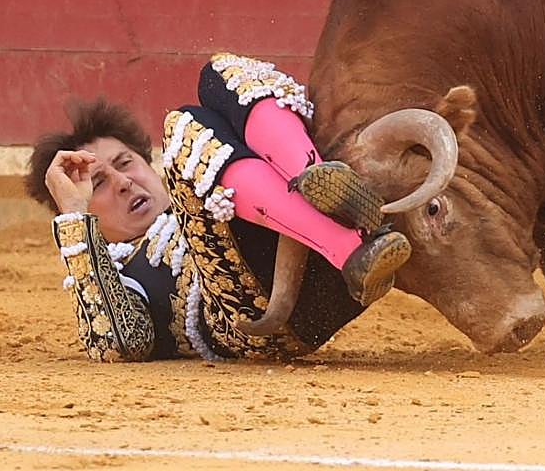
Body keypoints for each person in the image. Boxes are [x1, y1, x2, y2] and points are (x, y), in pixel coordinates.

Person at [25, 52, 410, 362]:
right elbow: (121, 343)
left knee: (219, 72)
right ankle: (345, 244)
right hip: (261, 319)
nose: (123, 183)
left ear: (147, 163)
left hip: (334, 277)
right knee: (183, 127)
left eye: (125, 163)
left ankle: (313, 178)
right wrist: (75, 217)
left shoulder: (206, 195)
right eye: (99, 184)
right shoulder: (118, 270)